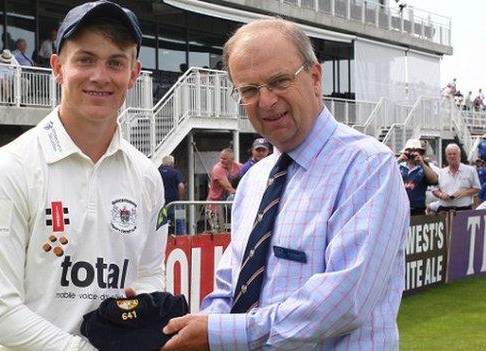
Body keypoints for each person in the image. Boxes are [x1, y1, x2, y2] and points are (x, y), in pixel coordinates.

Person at [162, 18, 409, 350]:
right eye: (249, 90)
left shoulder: (367, 165)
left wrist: (222, 335)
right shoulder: (253, 180)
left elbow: (344, 301)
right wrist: (199, 326)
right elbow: (229, 286)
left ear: (315, 77)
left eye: (279, 81)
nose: (265, 101)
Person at [0, 1, 167, 350]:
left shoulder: (147, 175)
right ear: (58, 68)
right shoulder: (10, 169)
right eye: (85, 59)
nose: (99, 76)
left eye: (115, 63)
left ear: (133, 75)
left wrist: (142, 306)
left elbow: (150, 274)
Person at [432, 143, 481, 212]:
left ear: (459, 156)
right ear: (446, 157)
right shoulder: (441, 172)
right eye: (449, 154)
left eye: (454, 154)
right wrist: (441, 195)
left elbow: (477, 188)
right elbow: (434, 190)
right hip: (444, 210)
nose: (452, 156)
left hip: (464, 210)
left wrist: (465, 192)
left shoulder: (470, 170)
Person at [397, 139, 438, 215]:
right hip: (400, 209)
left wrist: (422, 163)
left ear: (420, 152)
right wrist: (398, 161)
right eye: (409, 150)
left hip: (417, 210)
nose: (412, 154)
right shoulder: (399, 166)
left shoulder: (425, 167)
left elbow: (434, 180)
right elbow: (385, 176)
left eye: (415, 151)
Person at [206, 148, 241, 232]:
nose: (221, 160)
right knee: (219, 233)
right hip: (216, 206)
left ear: (232, 159)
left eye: (224, 159)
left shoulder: (239, 166)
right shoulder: (217, 169)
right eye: (221, 158)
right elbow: (229, 188)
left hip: (229, 206)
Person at [159, 155, 186, 235]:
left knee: (160, 224)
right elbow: (181, 186)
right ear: (172, 163)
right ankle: (181, 240)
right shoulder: (176, 172)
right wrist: (180, 199)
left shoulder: (157, 172)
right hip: (175, 203)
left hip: (162, 203)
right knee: (180, 222)